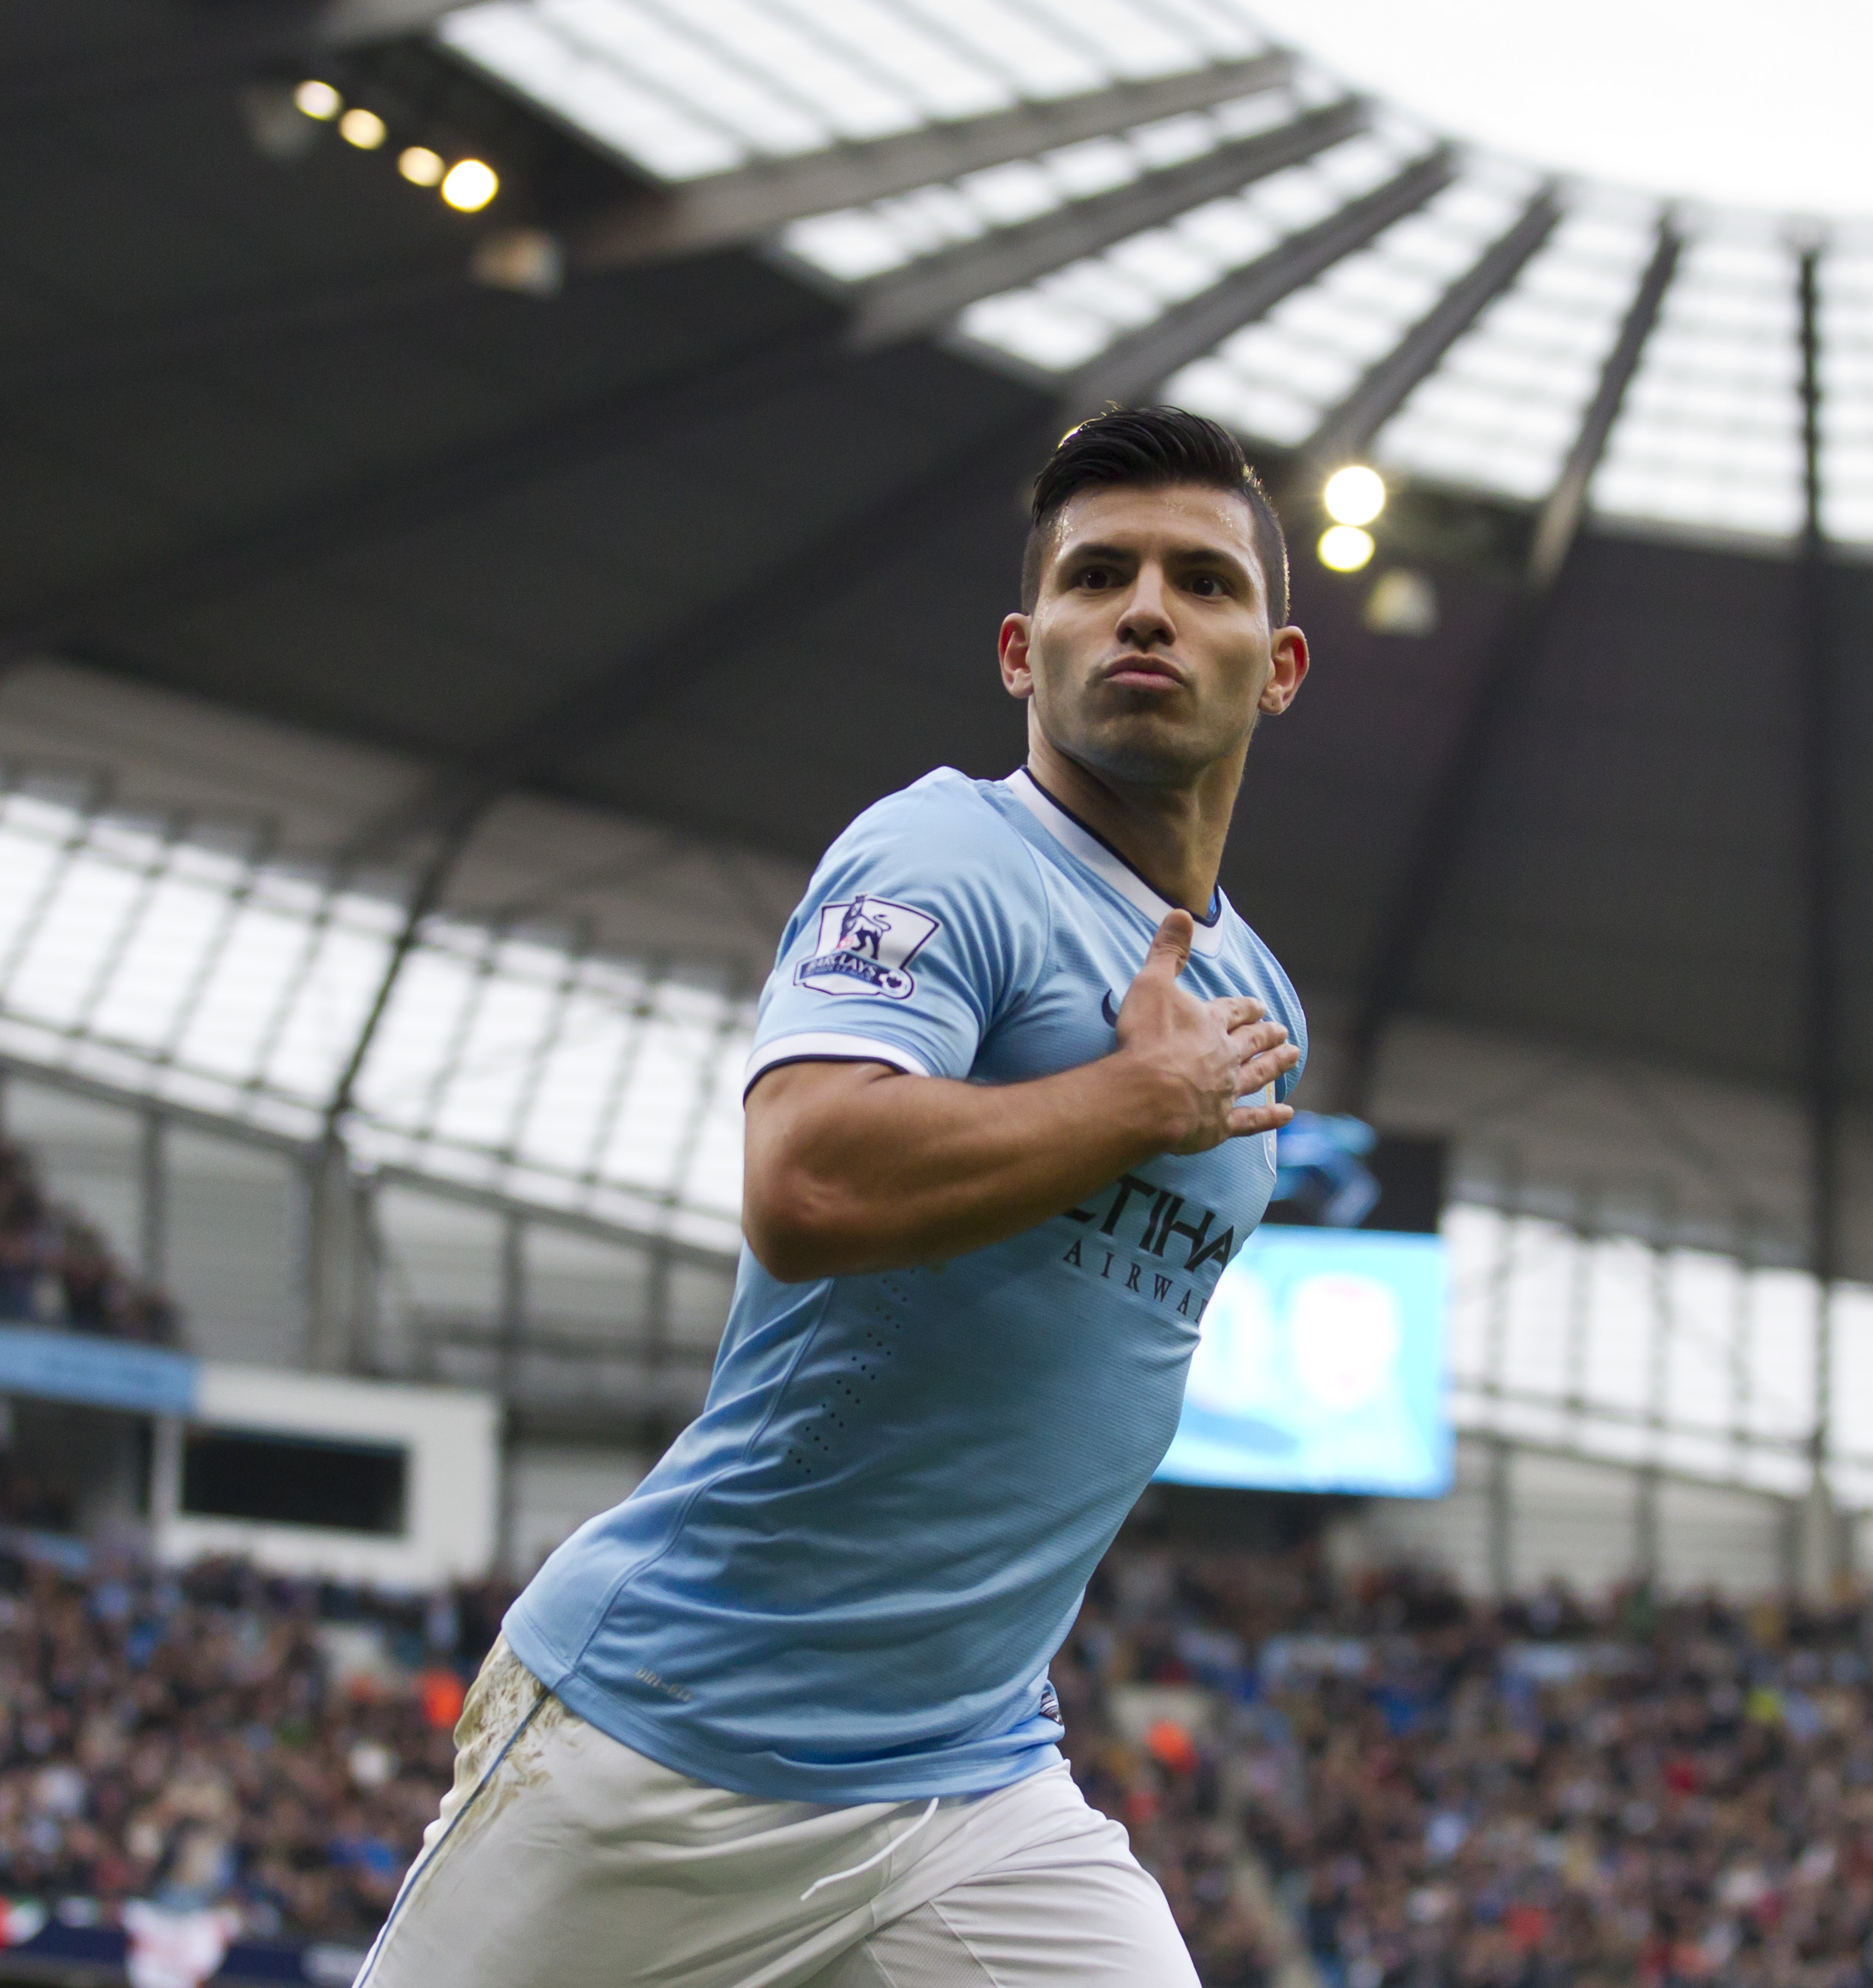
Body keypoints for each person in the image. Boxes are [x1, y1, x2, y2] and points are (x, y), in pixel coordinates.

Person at [354, 407, 1312, 1987]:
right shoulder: (946, 857)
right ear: (1023, 648)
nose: (1146, 605)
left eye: (1202, 580)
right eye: (1100, 575)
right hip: (673, 1742)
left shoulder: (1253, 988)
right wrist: (1138, 1098)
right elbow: (802, 1173)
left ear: (1275, 665)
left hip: (969, 1774)